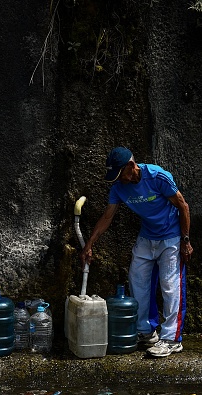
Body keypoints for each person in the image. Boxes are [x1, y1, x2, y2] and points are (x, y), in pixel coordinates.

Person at [80, 147, 192, 357]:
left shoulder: (157, 176)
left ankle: (172, 339)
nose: (118, 180)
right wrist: (89, 244)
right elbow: (107, 217)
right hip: (146, 236)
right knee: (137, 281)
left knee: (170, 285)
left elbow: (183, 206)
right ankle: (145, 331)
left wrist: (185, 241)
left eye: (120, 173)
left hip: (171, 236)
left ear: (131, 166)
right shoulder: (118, 188)